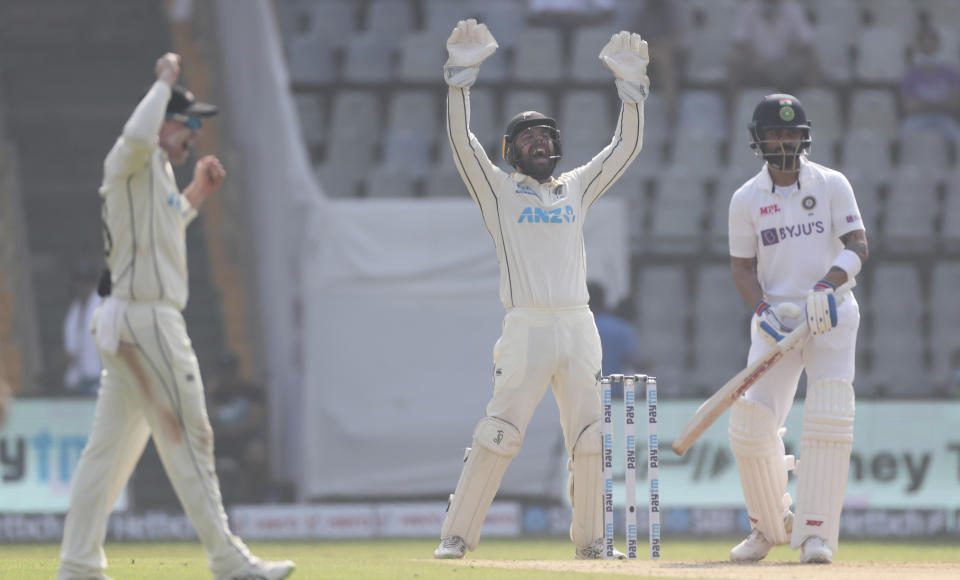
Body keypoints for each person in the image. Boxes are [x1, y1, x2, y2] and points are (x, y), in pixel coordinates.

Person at [57, 53, 295, 580]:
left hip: (125, 319)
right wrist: (164, 81)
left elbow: (162, 232)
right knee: (192, 437)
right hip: (147, 321)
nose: (194, 136)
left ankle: (77, 565)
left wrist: (196, 195)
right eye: (189, 125)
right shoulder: (131, 155)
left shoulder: (158, 173)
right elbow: (138, 135)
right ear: (165, 120)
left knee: (108, 453)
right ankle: (229, 561)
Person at [434, 20, 648, 560]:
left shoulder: (575, 188)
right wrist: (461, 80)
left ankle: (594, 541)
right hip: (527, 324)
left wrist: (631, 91)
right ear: (511, 150)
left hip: (579, 324)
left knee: (591, 437)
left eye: (546, 134)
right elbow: (461, 142)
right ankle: (457, 537)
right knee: (499, 432)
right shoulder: (499, 192)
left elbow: (624, 149)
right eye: (527, 135)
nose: (539, 139)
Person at [725, 93, 868, 564]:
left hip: (830, 315)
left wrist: (826, 287)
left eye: (791, 132)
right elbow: (743, 268)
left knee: (827, 417)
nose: (784, 140)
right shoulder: (746, 199)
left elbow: (858, 246)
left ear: (803, 136)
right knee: (749, 423)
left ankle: (815, 535)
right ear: (760, 140)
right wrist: (763, 309)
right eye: (775, 133)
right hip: (777, 325)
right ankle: (770, 526)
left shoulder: (830, 183)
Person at [725, 0, 820, 103]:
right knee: (733, 62)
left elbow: (807, 44)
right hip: (755, 65)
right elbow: (739, 44)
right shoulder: (748, 9)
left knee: (811, 61)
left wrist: (791, 56)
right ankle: (732, 113)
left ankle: (812, 105)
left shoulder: (793, 8)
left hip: (785, 66)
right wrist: (754, 59)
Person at [898, 14, 960, 143]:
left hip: (944, 118)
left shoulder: (951, 72)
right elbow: (909, 107)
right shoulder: (910, 74)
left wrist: (925, 104)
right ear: (919, 45)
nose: (928, 45)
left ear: (938, 44)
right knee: (903, 136)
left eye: (931, 41)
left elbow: (955, 103)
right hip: (918, 119)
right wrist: (940, 103)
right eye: (924, 42)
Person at [587, 280, 641, 380]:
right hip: (614, 390)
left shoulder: (578, 329)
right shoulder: (620, 328)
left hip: (586, 391)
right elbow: (634, 361)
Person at [62, 261, 102, 395]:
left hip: (99, 377)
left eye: (86, 282)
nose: (82, 286)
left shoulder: (102, 306)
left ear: (93, 283)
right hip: (80, 379)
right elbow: (71, 348)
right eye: (79, 282)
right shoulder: (76, 308)